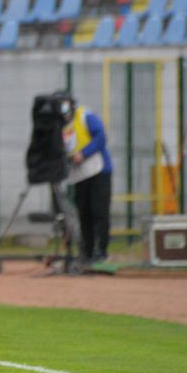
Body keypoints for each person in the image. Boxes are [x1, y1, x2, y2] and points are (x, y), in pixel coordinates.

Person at [63, 96, 112, 263]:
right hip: (79, 175)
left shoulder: (85, 116)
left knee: (99, 211)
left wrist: (83, 153)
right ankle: (87, 251)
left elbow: (101, 137)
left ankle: (102, 251)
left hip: (98, 170)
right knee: (84, 213)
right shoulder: (59, 125)